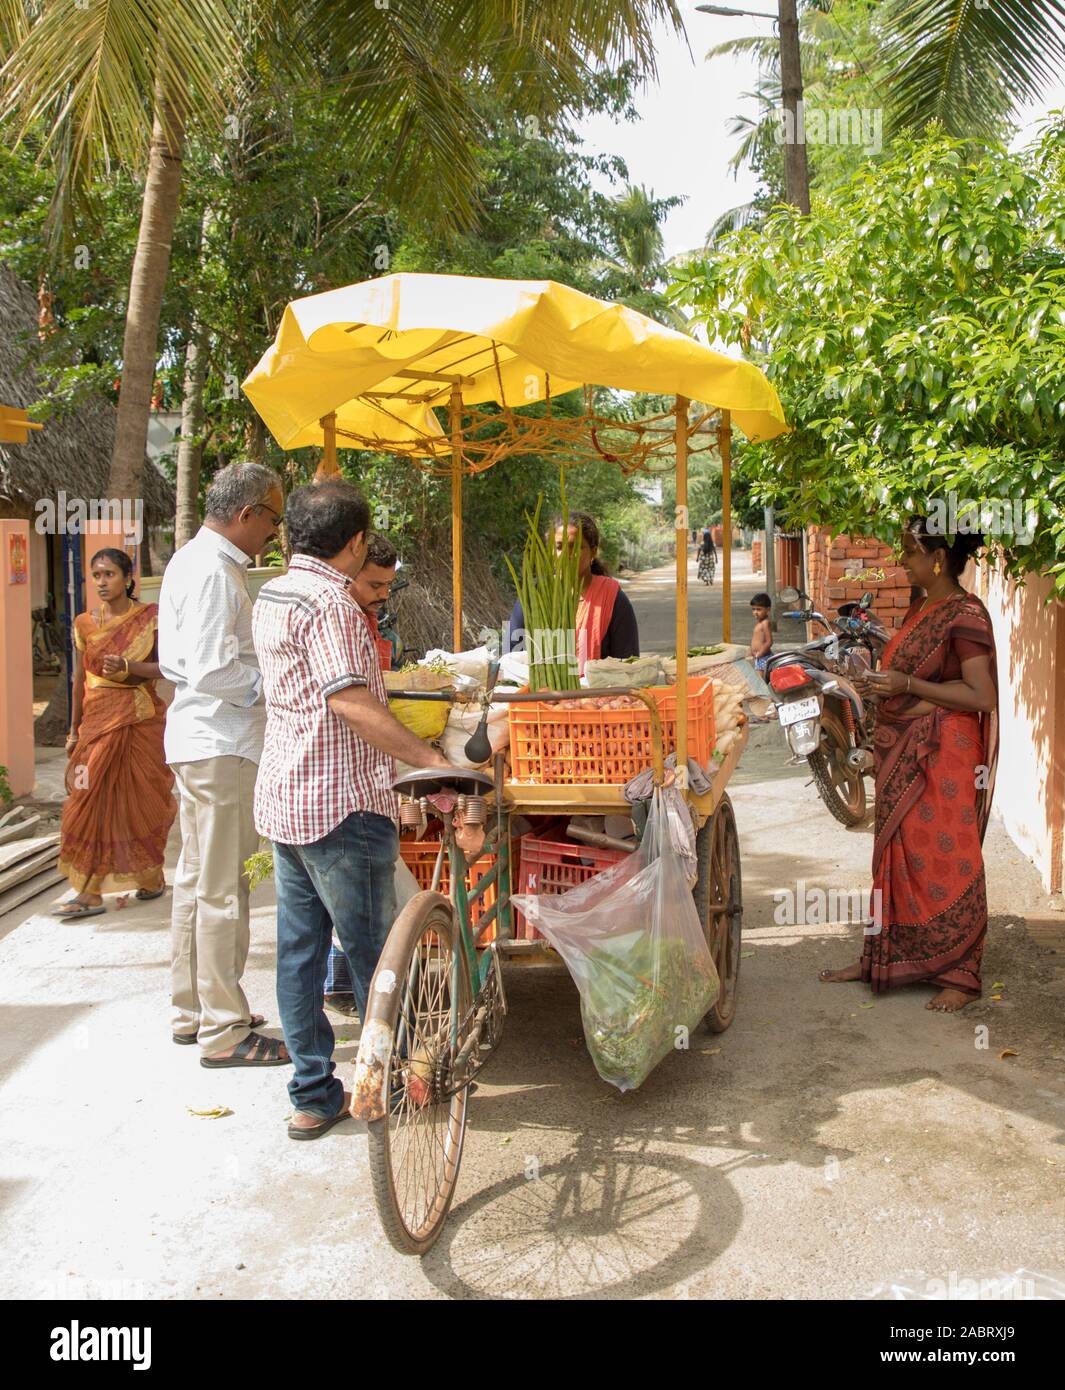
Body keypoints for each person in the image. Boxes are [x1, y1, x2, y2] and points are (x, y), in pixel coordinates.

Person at [253, 480, 452, 1140]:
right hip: (339, 804)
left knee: (300, 954)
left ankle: (313, 1093)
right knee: (377, 956)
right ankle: (392, 1079)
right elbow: (351, 701)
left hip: (287, 797)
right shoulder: (329, 602)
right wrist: (428, 761)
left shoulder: (275, 592)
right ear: (354, 542)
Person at [819, 520, 996, 1013]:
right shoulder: (923, 610)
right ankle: (881, 956)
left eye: (909, 554)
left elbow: (981, 695)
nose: (902, 563)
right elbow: (910, 679)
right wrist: (881, 683)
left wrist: (907, 687)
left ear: (937, 558)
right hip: (907, 749)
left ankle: (960, 972)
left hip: (947, 753)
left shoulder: (966, 615)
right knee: (896, 853)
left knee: (946, 856)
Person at [158, 461, 287, 1066]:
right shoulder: (213, 571)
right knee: (221, 889)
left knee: (196, 882)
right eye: (273, 519)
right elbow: (212, 670)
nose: (274, 533)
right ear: (247, 514)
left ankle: (195, 1010)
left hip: (201, 742)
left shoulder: (194, 560)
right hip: (222, 743)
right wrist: (275, 686)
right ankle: (224, 1031)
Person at [53, 549, 176, 920]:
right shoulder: (84, 623)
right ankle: (89, 890)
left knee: (140, 802)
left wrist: (129, 666)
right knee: (85, 800)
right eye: (96, 575)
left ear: (128, 576)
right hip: (95, 727)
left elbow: (168, 667)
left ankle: (150, 877)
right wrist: (73, 730)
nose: (102, 582)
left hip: (139, 721)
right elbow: (79, 681)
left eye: (109, 574)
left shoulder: (149, 619)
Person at [323, 532, 400, 1015]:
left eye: (389, 586)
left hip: (349, 785)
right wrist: (429, 761)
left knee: (329, 921)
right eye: (374, 584)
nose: (383, 595)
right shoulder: (334, 617)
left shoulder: (363, 618)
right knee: (360, 921)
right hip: (343, 794)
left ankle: (313, 1082)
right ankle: (387, 1038)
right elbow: (350, 703)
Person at [506, 512, 639, 673]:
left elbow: (627, 664)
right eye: (559, 547)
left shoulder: (612, 598)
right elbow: (511, 655)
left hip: (596, 695)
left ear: (593, 552)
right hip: (540, 693)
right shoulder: (534, 594)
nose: (566, 555)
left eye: (575, 547)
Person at [748, 592, 773, 672]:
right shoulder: (760, 623)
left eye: (759, 609)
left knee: (761, 682)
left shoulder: (765, 623)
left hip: (763, 657)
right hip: (759, 657)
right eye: (753, 609)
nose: (755, 612)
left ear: (768, 609)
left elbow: (769, 641)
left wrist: (760, 653)